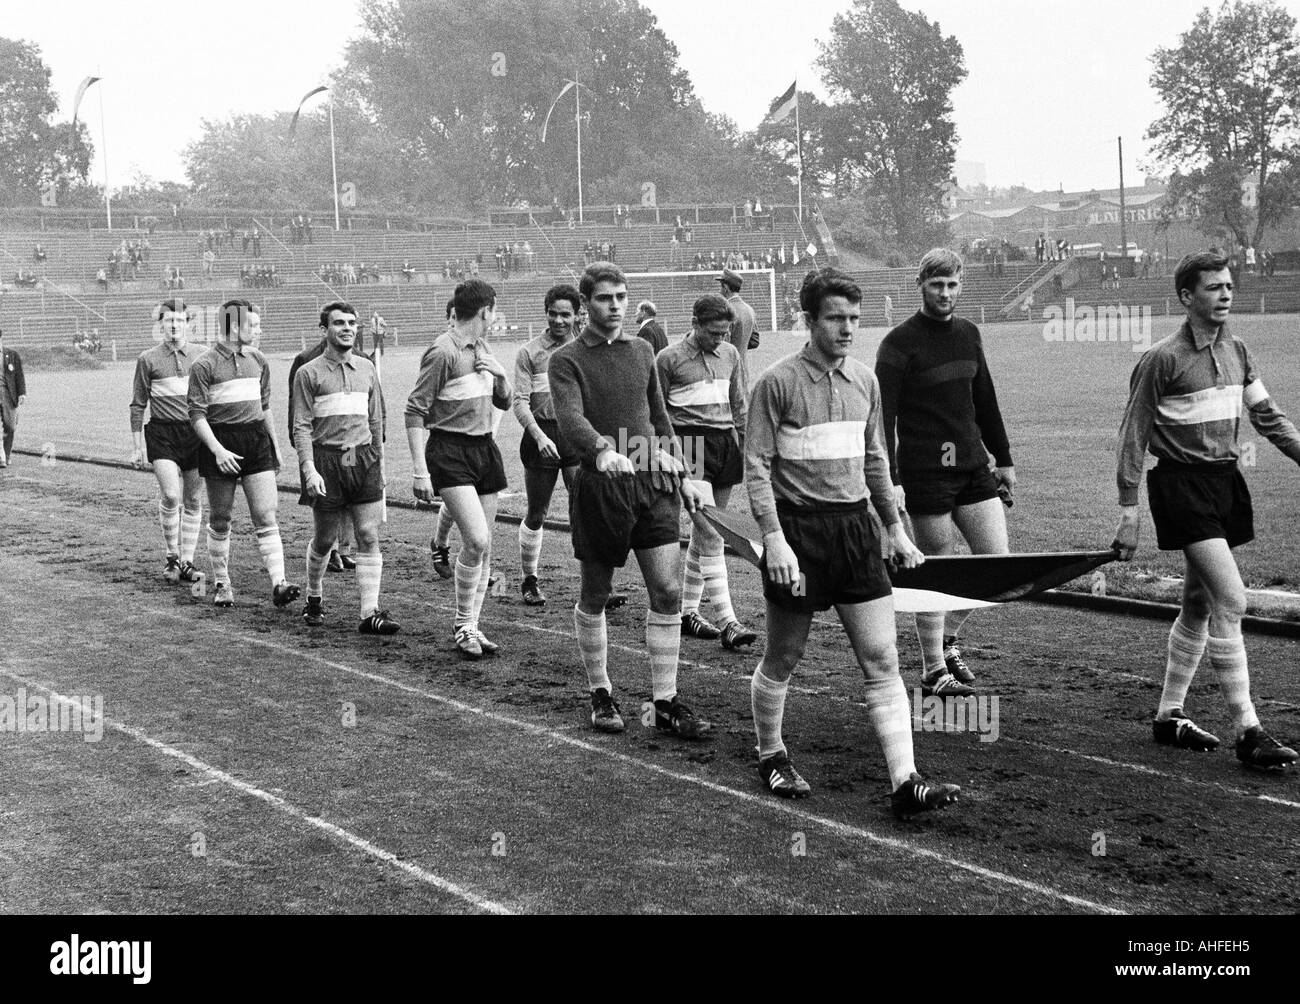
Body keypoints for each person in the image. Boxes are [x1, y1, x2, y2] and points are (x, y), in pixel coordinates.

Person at [746, 267, 959, 817]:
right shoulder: (777, 382)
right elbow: (757, 466)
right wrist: (775, 540)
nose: (847, 328)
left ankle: (904, 780)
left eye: (854, 319)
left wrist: (893, 528)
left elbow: (874, 461)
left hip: (857, 531)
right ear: (809, 319)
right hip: (799, 532)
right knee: (786, 654)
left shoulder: (866, 380)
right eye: (836, 318)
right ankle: (770, 752)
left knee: (882, 656)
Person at [1113, 251, 1300, 770]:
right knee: (1231, 599)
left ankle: (1169, 715)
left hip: (1224, 483)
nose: (1225, 294)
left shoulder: (1239, 349)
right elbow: (1132, 436)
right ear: (1186, 297)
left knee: (1197, 603)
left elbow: (1269, 418)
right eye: (1214, 287)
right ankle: (1248, 729)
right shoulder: (1161, 360)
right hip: (1180, 488)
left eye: (1229, 286)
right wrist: (1129, 509)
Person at [549, 262, 712, 738]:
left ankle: (665, 702)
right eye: (604, 298)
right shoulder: (567, 360)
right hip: (602, 488)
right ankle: (600, 691)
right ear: (585, 306)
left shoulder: (643, 349)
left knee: (667, 591)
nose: (615, 305)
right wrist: (602, 451)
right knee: (596, 593)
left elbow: (660, 422)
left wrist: (683, 474)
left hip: (652, 486)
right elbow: (570, 420)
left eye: (621, 296)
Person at [875, 248, 1014, 698]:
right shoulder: (898, 344)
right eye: (937, 285)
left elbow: (986, 399)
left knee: (996, 565)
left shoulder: (969, 334)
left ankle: (948, 638)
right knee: (935, 570)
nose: (945, 293)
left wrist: (1004, 458)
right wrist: (891, 480)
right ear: (921, 286)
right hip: (925, 472)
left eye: (953, 285)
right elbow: (884, 418)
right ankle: (934, 669)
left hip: (972, 465)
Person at [405, 279, 512, 659]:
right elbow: (415, 410)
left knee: (484, 548)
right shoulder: (442, 351)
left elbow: (504, 402)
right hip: (449, 450)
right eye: (494, 311)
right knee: (478, 540)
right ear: (485, 310)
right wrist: (419, 470)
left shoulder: (482, 347)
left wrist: (500, 375)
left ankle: (472, 624)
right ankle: (462, 624)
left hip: (484, 449)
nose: (495, 317)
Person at [657, 294, 757, 650]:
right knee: (714, 531)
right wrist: (670, 455)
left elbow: (739, 402)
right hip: (689, 445)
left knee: (705, 537)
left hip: (724, 444)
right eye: (713, 332)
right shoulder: (667, 358)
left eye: (725, 333)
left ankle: (688, 612)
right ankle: (728, 620)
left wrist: (744, 445)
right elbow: (656, 413)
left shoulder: (730, 354)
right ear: (695, 323)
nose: (720, 339)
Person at [187, 298, 300, 609]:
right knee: (221, 518)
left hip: (255, 440)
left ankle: (279, 582)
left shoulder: (258, 360)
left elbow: (264, 406)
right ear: (235, 327)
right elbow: (196, 414)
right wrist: (217, 450)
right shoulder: (204, 365)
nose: (259, 330)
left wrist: (274, 444)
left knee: (266, 514)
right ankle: (222, 583)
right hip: (220, 441)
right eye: (254, 325)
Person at [292, 302, 398, 635]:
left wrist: (379, 463)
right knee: (325, 539)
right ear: (324, 329)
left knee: (367, 534)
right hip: (328, 461)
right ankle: (314, 595)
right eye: (339, 323)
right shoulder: (307, 372)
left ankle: (370, 612)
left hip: (361, 457)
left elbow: (376, 418)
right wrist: (309, 469)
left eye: (352, 323)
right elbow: (301, 426)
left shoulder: (367, 368)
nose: (347, 328)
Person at [511, 285, 584, 605]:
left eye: (565, 314)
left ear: (577, 315)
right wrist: (539, 436)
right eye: (553, 313)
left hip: (575, 436)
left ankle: (595, 585)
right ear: (546, 313)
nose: (558, 320)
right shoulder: (529, 352)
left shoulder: (585, 348)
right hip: (540, 434)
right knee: (537, 512)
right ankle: (529, 579)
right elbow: (519, 402)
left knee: (584, 510)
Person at [129, 299, 205, 584]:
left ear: (188, 324)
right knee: (172, 495)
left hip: (195, 432)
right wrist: (137, 447)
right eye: (168, 321)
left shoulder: (202, 355)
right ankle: (172, 555)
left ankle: (187, 560)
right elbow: (137, 404)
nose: (174, 326)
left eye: (179, 321)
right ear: (160, 324)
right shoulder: (147, 359)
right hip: (162, 433)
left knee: (193, 498)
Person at [718, 268, 758, 390]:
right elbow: (754, 341)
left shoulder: (725, 310)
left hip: (727, 371)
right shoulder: (749, 310)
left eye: (721, 286)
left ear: (725, 287)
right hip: (744, 371)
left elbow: (722, 345)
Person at [0, 329, 27, 468]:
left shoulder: (12, 355)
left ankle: (6, 453)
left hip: (8, 395)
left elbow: (19, 376)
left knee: (10, 426)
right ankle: (1, 458)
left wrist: (22, 393)